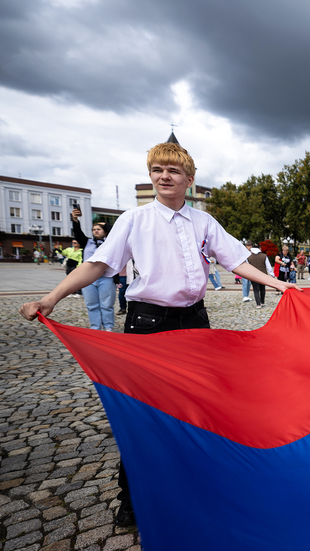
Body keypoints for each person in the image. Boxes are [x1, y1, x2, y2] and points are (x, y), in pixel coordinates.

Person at [19, 142, 295, 529]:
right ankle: (131, 500)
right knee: (145, 413)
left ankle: (195, 487)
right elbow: (99, 265)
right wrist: (51, 298)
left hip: (196, 324)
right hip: (148, 324)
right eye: (157, 170)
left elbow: (236, 260)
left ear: (189, 180)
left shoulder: (204, 222)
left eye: (173, 171)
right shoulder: (134, 219)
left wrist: (280, 285)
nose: (164, 176)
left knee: (198, 411)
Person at [72, 214, 116, 331]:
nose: (95, 231)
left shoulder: (110, 242)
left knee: (107, 305)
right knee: (92, 305)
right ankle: (95, 328)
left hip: (106, 277)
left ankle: (108, 327)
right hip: (88, 279)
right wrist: (75, 220)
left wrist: (104, 224)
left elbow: (114, 229)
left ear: (105, 231)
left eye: (98, 229)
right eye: (94, 229)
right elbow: (77, 233)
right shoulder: (87, 242)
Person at [247, 243, 275, 308]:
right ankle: (262, 302)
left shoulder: (248, 256)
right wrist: (272, 274)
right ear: (259, 248)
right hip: (263, 274)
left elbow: (247, 267)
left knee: (256, 289)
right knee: (262, 288)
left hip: (253, 275)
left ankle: (258, 304)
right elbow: (268, 266)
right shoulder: (264, 256)